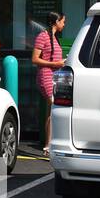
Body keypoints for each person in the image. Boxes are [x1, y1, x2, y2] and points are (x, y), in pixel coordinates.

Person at [32, 11, 66, 158]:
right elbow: (35, 59)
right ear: (56, 21)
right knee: (53, 108)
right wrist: (55, 63)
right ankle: (47, 146)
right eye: (63, 21)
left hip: (54, 75)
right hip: (46, 75)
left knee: (53, 109)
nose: (64, 25)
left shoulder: (54, 38)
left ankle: (50, 144)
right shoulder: (43, 36)